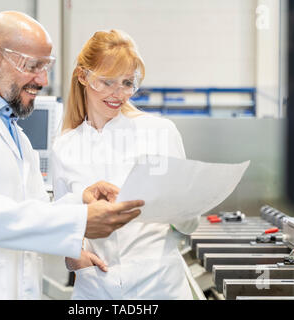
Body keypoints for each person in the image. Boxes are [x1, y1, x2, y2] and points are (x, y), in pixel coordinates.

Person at [0, 12, 144, 300]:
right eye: (33, 66)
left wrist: (78, 201)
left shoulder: (18, 138)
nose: (42, 79)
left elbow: (31, 208)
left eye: (46, 67)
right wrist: (78, 220)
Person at [52, 29, 200, 300]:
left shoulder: (160, 132)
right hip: (95, 289)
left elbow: (190, 224)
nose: (118, 94)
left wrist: (183, 208)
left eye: (127, 82)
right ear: (83, 77)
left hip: (158, 286)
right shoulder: (65, 147)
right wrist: (72, 259)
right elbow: (61, 222)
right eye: (107, 82)